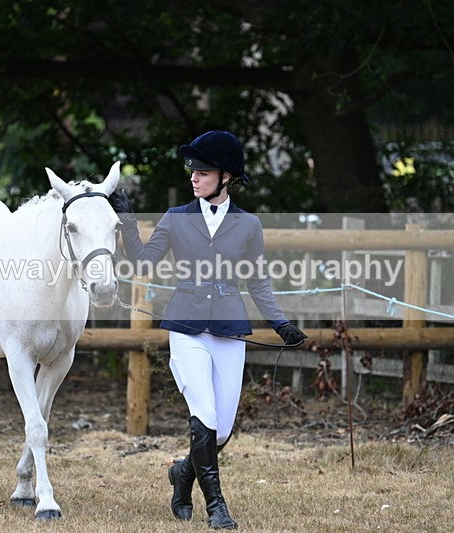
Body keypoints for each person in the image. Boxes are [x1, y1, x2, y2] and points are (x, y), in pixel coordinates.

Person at [109, 130, 307, 530]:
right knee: (205, 414)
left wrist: (280, 322)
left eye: (202, 171)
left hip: (230, 327)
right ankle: (217, 506)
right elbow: (144, 262)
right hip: (186, 324)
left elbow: (258, 281)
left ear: (226, 177)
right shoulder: (176, 217)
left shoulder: (248, 225)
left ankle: (183, 475)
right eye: (192, 171)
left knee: (222, 429)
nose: (193, 178)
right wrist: (127, 220)